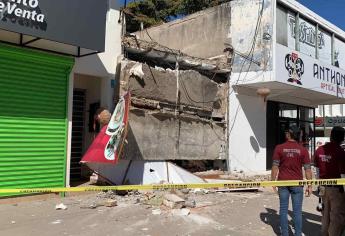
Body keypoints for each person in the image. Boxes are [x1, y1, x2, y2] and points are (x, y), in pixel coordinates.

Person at [271, 125, 312, 236]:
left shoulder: (279, 148)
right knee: (297, 211)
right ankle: (298, 234)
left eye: (286, 132)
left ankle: (285, 234)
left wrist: (273, 182)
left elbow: (275, 167)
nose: (285, 133)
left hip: (283, 183)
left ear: (289, 134)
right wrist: (310, 185)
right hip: (297, 184)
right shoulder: (303, 150)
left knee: (283, 210)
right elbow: (308, 169)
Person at [313, 126, 345, 236]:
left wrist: (318, 184)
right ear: (342, 138)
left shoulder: (319, 150)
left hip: (322, 186)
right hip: (336, 188)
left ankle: (324, 233)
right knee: (336, 215)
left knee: (325, 213)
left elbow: (316, 170)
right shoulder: (340, 152)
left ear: (331, 136)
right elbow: (343, 174)